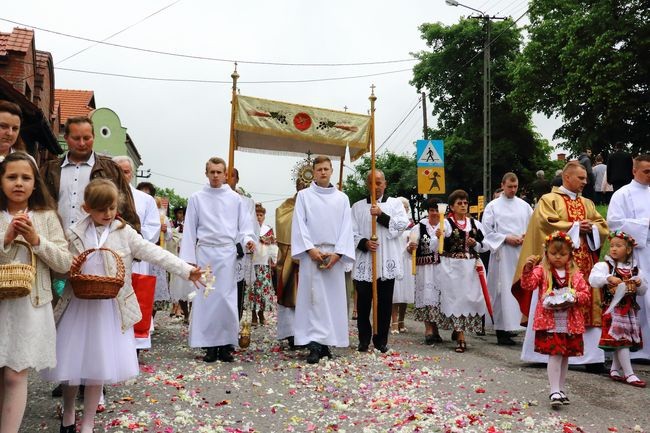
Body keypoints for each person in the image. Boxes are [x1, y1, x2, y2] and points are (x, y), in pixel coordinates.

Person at [43, 179, 202, 433]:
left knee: (98, 365)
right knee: (70, 365)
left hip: (108, 308)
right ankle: (69, 412)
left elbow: (154, 252)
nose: (108, 214)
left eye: (112, 208)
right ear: (86, 208)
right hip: (79, 306)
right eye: (101, 209)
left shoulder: (124, 232)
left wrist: (186, 270)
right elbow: (62, 262)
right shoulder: (74, 232)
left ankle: (89, 423)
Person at [0, 152, 72, 433]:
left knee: (16, 374)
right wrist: (5, 240)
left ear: (35, 183)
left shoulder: (46, 216)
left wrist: (36, 240)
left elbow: (64, 263)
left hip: (31, 305)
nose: (19, 183)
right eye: (11, 177)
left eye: (25, 178)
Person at [513, 161, 608, 372]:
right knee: (553, 304)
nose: (585, 182)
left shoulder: (588, 203)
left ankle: (591, 357)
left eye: (586, 179)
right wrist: (575, 226)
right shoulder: (549, 200)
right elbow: (544, 224)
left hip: (583, 265)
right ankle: (544, 353)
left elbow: (602, 226)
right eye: (581, 178)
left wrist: (591, 228)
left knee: (586, 303)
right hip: (555, 267)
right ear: (567, 177)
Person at [179, 157, 257, 363]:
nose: (215, 176)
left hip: (227, 255)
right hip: (205, 253)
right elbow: (189, 229)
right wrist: (188, 259)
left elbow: (244, 227)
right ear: (206, 173)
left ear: (225, 175)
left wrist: (248, 240)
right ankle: (209, 345)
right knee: (206, 299)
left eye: (218, 172)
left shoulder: (235, 199)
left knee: (226, 300)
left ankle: (226, 344)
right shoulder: (196, 198)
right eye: (211, 172)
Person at [291, 155, 355, 364]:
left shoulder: (342, 198)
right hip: (313, 256)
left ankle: (327, 343)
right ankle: (314, 345)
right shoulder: (304, 196)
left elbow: (347, 227)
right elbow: (300, 224)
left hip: (333, 256)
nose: (323, 172)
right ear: (313, 172)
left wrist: (338, 253)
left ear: (332, 171)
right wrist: (309, 249)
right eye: (319, 169)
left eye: (326, 169)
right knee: (313, 301)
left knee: (332, 302)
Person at [520, 231, 591, 407]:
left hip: (569, 321)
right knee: (555, 353)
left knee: (565, 355)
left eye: (562, 254)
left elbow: (586, 294)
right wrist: (528, 269)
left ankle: (560, 388)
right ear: (546, 253)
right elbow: (528, 285)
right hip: (550, 320)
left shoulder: (575, 273)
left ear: (570, 254)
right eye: (553, 253)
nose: (558, 257)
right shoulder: (541, 271)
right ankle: (553, 390)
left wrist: (574, 297)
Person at [41, 116, 139, 233]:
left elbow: (128, 211)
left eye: (87, 138)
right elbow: (38, 206)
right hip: (58, 241)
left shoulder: (111, 169)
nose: (82, 143)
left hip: (98, 242)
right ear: (66, 138)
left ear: (94, 137)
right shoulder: (50, 169)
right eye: (76, 138)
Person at [351, 170, 409, 353]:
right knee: (363, 302)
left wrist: (381, 215)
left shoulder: (395, 204)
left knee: (384, 302)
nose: (375, 187)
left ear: (385, 183)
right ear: (367, 185)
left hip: (386, 261)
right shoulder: (357, 207)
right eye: (371, 183)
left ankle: (381, 339)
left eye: (379, 182)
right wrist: (364, 243)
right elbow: (350, 232)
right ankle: (363, 338)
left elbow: (401, 225)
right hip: (365, 260)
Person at [113, 156, 161, 352]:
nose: (122, 175)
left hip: (137, 258)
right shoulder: (105, 195)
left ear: (131, 174)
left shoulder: (145, 199)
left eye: (125, 171)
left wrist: (135, 244)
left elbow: (153, 227)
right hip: (112, 257)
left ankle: (137, 344)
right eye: (118, 170)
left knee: (137, 297)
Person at [434, 189, 489, 353]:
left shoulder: (475, 224)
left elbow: (485, 245)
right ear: (451, 206)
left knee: (469, 300)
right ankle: (461, 337)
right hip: (452, 268)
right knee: (456, 300)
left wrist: (475, 244)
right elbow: (435, 247)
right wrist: (438, 237)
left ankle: (458, 330)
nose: (463, 206)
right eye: (459, 203)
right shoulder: (446, 224)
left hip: (471, 267)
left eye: (465, 203)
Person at [589, 231, 646, 387]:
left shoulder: (635, 270)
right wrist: (607, 278)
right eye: (612, 245)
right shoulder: (605, 266)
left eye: (618, 246)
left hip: (629, 311)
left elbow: (642, 291)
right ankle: (629, 374)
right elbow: (592, 279)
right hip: (613, 311)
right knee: (622, 341)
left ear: (628, 250)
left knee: (622, 341)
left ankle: (614, 369)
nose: (613, 249)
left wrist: (639, 284)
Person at [607, 154, 650, 361]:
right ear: (634, 171)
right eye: (646, 171)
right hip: (635, 254)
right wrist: (645, 225)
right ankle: (636, 348)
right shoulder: (622, 194)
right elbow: (614, 223)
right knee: (639, 298)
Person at [482, 173, 532, 345]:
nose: (512, 190)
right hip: (502, 254)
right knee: (501, 291)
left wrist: (526, 237)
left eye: (515, 186)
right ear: (502, 185)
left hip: (520, 253)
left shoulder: (525, 206)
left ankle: (517, 325)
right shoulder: (493, 206)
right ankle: (501, 329)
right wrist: (505, 238)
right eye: (509, 186)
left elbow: (532, 227)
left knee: (520, 288)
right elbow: (487, 231)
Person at [275, 172, 310, 349]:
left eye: (307, 185)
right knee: (290, 294)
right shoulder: (287, 206)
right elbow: (283, 220)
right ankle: (291, 334)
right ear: (297, 186)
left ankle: (311, 334)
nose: (303, 188)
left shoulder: (317, 203)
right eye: (301, 185)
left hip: (312, 256)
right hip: (290, 256)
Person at [407, 197, 443, 345]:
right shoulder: (419, 227)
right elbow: (410, 247)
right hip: (425, 267)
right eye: (431, 210)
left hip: (441, 267)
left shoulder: (444, 225)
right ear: (428, 212)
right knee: (427, 296)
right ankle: (428, 329)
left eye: (436, 210)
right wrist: (411, 248)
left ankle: (436, 329)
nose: (434, 213)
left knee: (439, 298)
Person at [248, 203, 278, 326]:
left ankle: (261, 313)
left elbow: (272, 246)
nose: (259, 217)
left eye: (261, 215)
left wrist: (274, 260)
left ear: (264, 216)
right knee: (253, 291)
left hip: (264, 264)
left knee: (263, 291)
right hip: (252, 264)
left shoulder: (268, 230)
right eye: (257, 215)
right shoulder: (249, 229)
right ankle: (253, 315)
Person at [391, 197, 415, 335]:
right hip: (395, 258)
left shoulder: (412, 226)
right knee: (395, 292)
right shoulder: (393, 223)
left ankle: (401, 320)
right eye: (401, 206)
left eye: (406, 207)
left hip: (407, 260)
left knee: (405, 292)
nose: (404, 209)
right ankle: (393, 321)